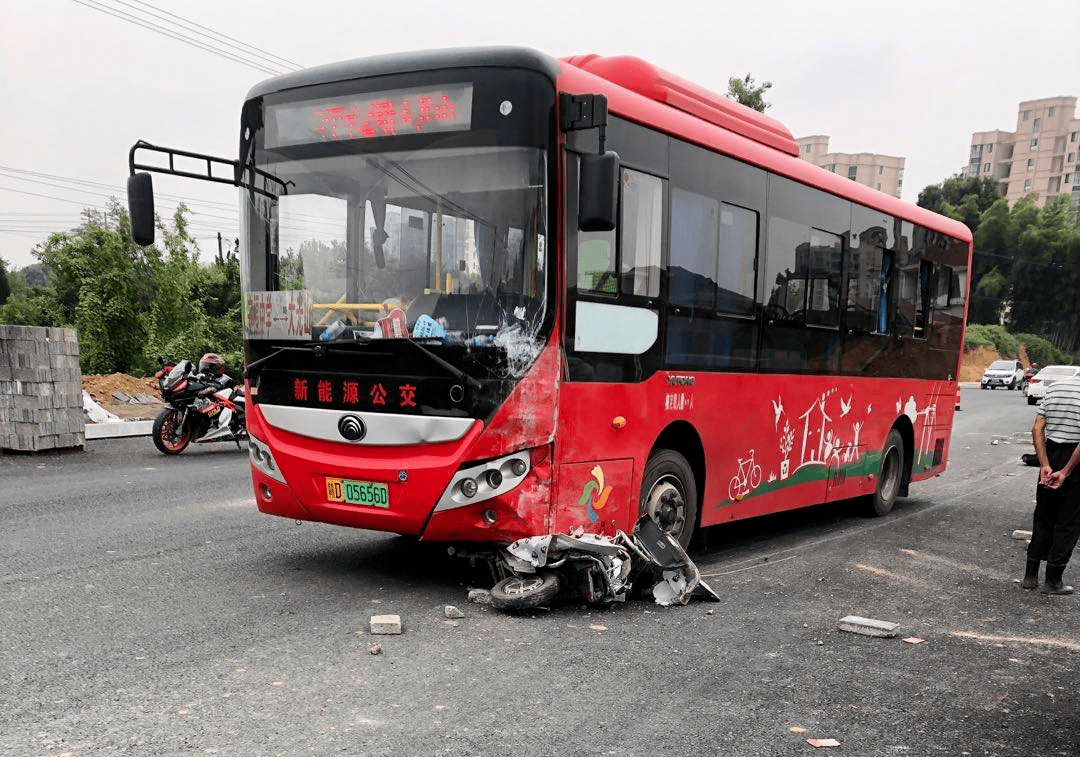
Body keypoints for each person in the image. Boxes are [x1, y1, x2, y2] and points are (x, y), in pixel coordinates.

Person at [1023, 373, 1080, 594]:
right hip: (1075, 462)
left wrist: (1045, 464)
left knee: (1044, 516)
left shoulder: (1056, 387)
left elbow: (1037, 428)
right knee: (1069, 522)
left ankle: (1030, 576)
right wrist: (1065, 471)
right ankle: (1053, 581)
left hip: (1051, 453)